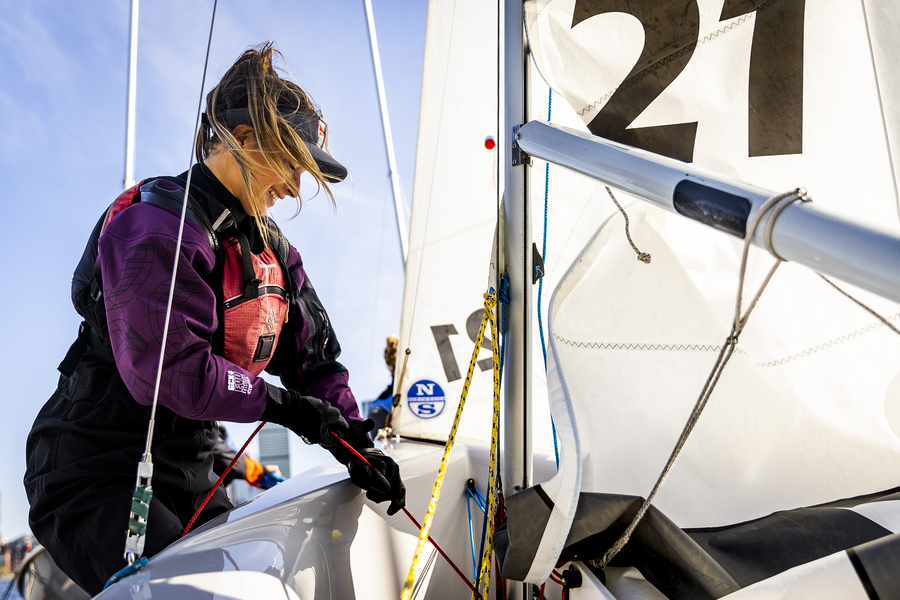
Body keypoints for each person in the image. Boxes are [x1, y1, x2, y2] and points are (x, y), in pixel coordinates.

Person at [24, 42, 405, 596]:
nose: (297, 187)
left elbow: (317, 362)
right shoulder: (156, 228)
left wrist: (356, 442)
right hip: (97, 465)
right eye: (291, 163)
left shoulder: (277, 254)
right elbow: (170, 371)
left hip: (197, 463)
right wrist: (289, 409)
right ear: (245, 138)